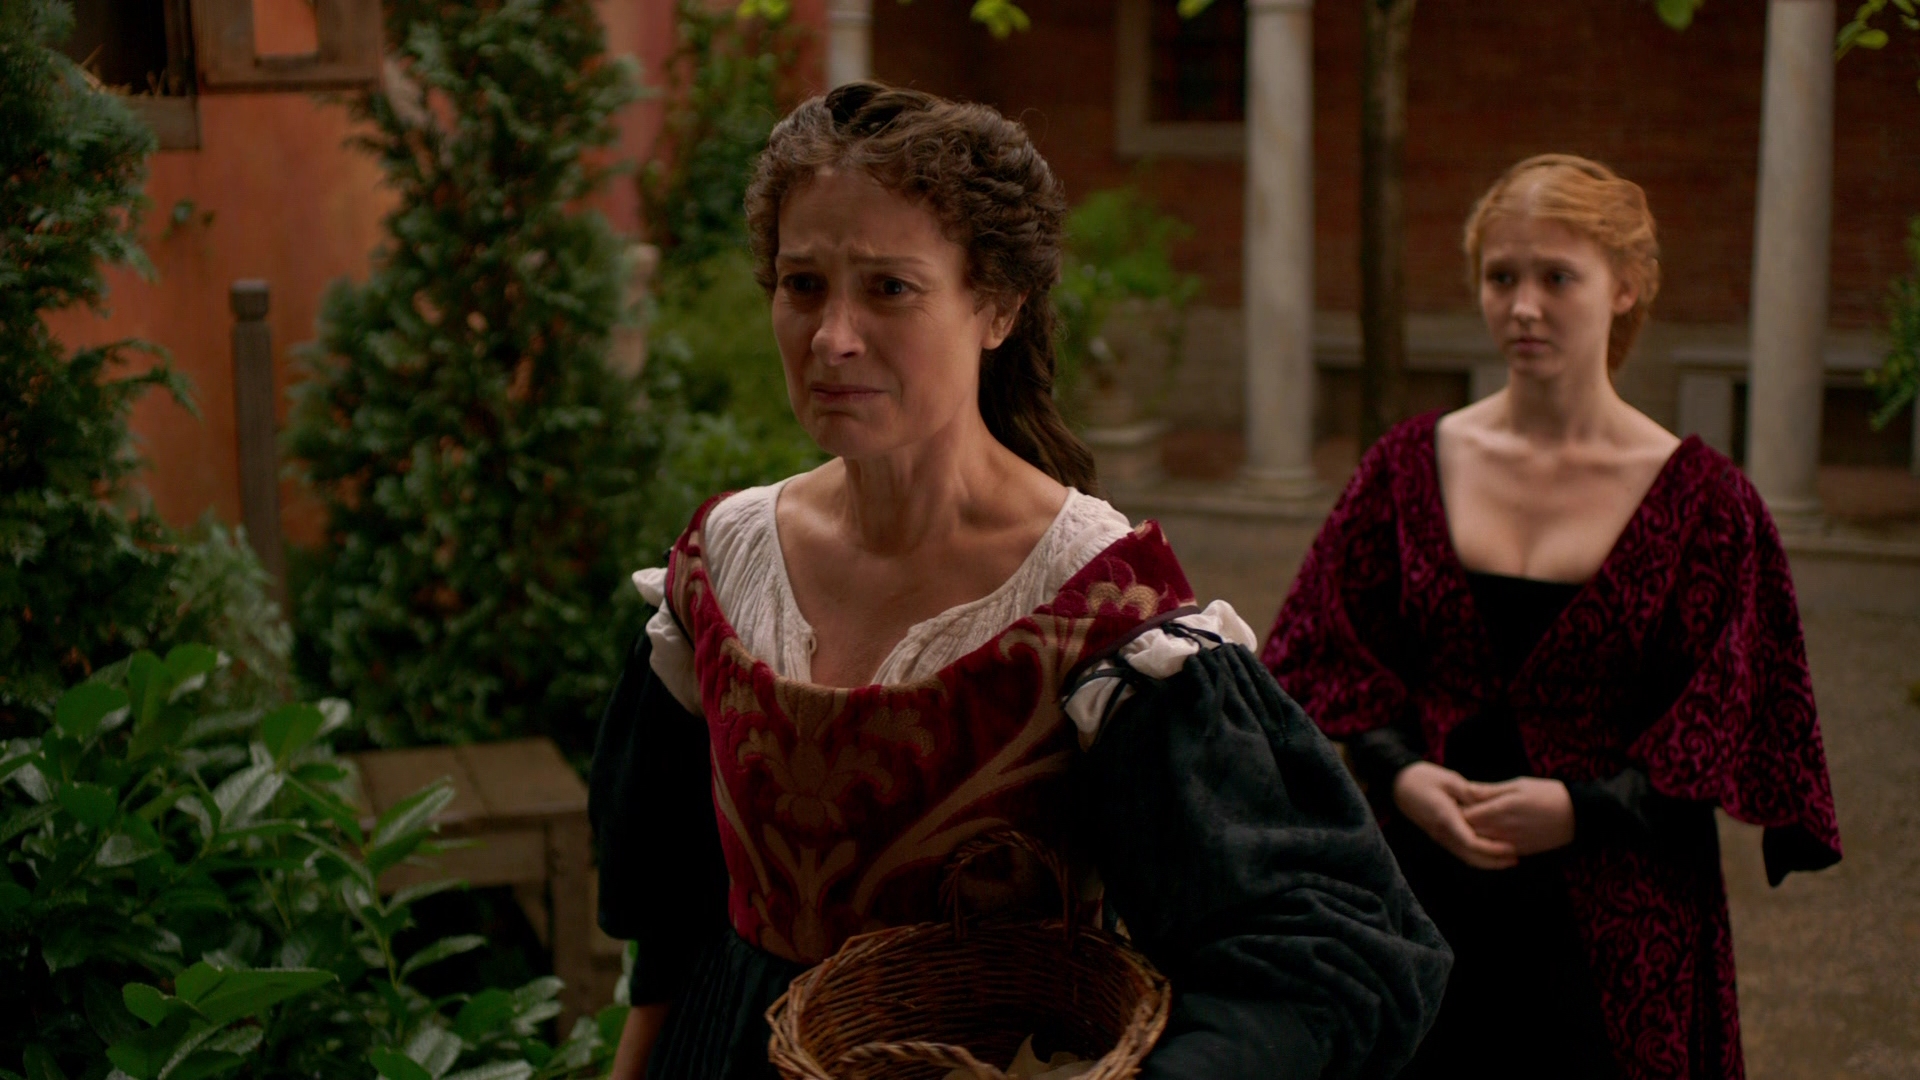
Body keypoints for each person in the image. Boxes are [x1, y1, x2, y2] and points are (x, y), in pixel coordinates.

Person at [590, 83, 1449, 1080]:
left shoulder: (1100, 611)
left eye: (889, 288)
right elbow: (669, 901)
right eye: (803, 284)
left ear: (996, 306)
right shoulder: (728, 560)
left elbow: (1324, 954)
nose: (831, 337)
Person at [1263, 154, 1843, 1080]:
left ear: (1627, 286)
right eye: (1502, 278)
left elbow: (1730, 724)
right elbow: (1324, 652)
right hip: (1421, 901)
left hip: (1625, 921)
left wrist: (1584, 808)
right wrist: (1403, 777)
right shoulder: (1406, 469)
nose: (1523, 306)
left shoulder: (1707, 506)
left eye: (1557, 278)